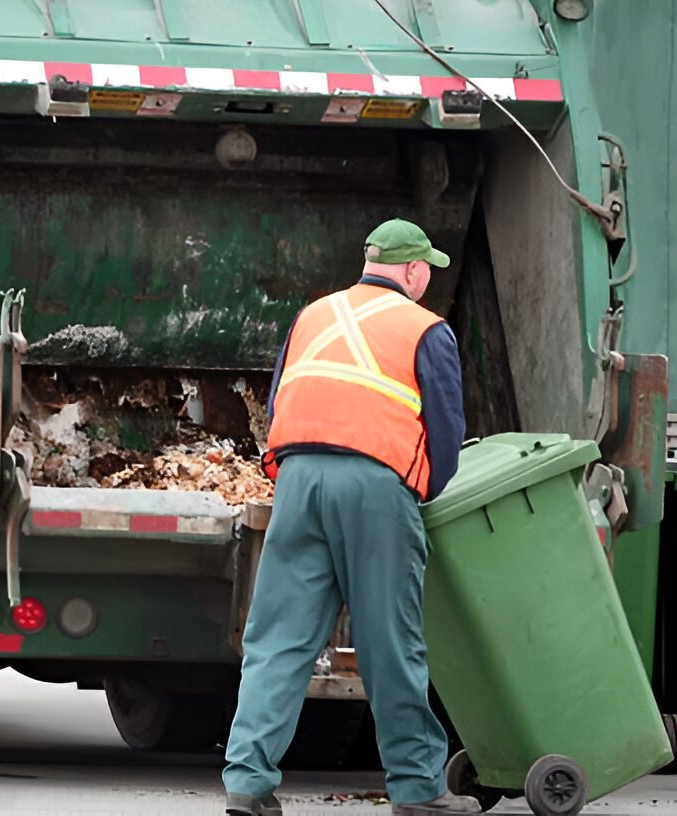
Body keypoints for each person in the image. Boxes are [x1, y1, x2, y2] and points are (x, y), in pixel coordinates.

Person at [222, 219, 473, 816]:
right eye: (428, 271)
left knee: (278, 639)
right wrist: (421, 492)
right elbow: (446, 432)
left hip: (300, 479)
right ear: (414, 271)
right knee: (391, 643)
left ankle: (247, 783)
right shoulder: (426, 328)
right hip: (375, 487)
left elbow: (281, 396)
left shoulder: (313, 315)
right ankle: (417, 789)